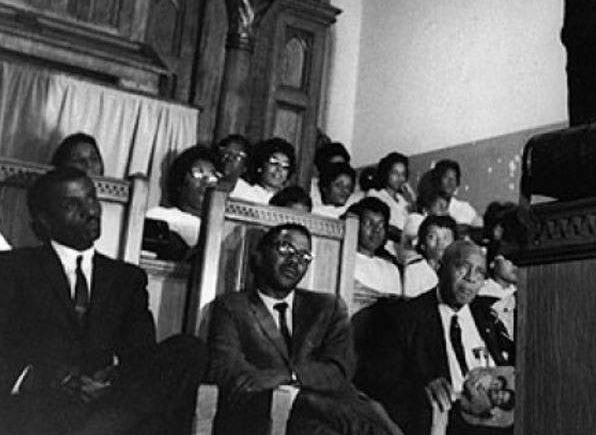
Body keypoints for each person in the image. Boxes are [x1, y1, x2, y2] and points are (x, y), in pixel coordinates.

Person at [0, 166, 205, 435]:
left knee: (189, 349)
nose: (91, 211)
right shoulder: (13, 269)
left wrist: (110, 382)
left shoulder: (126, 279)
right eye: (71, 204)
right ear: (45, 221)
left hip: (109, 406)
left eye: (91, 198)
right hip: (41, 405)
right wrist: (44, 379)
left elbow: (141, 358)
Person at [206, 223, 400, 435]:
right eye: (285, 249)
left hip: (331, 409)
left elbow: (340, 368)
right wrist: (292, 397)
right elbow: (227, 368)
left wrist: (287, 376)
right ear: (259, 256)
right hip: (266, 416)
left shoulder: (327, 307)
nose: (294, 260)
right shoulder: (233, 307)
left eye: (304, 256)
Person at [359, 241, 514, 435]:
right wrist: (421, 388)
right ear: (439, 268)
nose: (471, 278)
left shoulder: (488, 315)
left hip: (498, 415)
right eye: (462, 267)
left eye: (479, 272)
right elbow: (378, 380)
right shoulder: (406, 317)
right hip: (445, 417)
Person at [144, 145, 220, 260]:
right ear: (181, 179)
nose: (206, 182)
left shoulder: (220, 227)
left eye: (212, 176)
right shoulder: (159, 216)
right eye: (198, 173)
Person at [351, 198, 402, 311]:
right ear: (356, 225)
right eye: (369, 224)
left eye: (381, 225)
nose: (376, 230)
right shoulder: (346, 260)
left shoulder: (392, 269)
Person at [403, 214, 457, 299]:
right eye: (432, 237)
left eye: (446, 238)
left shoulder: (457, 270)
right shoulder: (414, 269)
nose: (440, 242)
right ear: (423, 244)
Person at [232, 137, 297, 204]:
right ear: (260, 165)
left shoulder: (289, 202)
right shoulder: (242, 189)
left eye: (285, 166)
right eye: (274, 163)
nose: (279, 169)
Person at [368, 152, 414, 243]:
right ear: (386, 173)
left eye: (403, 174)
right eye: (395, 173)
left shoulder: (403, 201)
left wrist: (412, 199)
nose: (399, 178)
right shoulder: (376, 195)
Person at [433, 160, 482, 235]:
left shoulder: (466, 210)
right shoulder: (427, 209)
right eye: (446, 177)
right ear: (437, 180)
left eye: (453, 179)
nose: (450, 183)